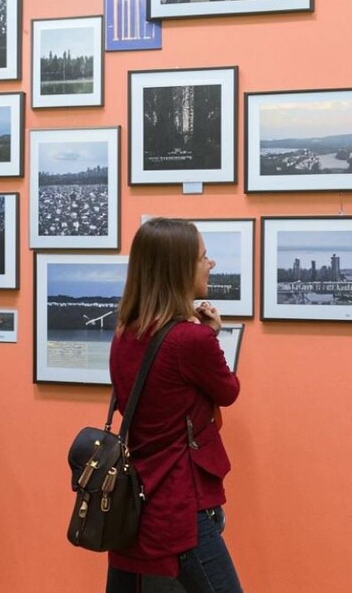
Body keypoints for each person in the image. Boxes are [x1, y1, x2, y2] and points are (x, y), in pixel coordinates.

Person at [106, 218, 243, 593]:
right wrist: (210, 336)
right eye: (203, 257)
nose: (210, 264)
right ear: (180, 268)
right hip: (179, 503)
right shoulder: (189, 340)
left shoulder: (124, 334)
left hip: (135, 503)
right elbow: (228, 390)